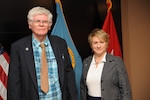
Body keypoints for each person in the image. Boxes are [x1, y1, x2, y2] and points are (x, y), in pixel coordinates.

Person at [7, 6, 77, 100]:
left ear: (50, 25)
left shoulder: (60, 43)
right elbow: (14, 81)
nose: (41, 24)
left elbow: (69, 73)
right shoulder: (18, 47)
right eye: (37, 21)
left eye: (45, 22)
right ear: (30, 24)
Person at [80, 28, 132, 100]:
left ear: (107, 44)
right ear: (91, 45)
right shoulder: (86, 62)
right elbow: (83, 86)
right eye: (95, 43)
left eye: (101, 42)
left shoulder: (116, 61)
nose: (98, 46)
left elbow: (125, 89)